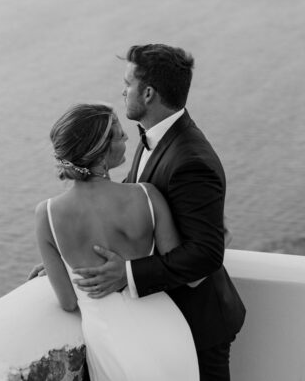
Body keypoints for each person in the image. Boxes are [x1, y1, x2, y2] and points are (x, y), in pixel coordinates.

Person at [72, 44, 246, 381]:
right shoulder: (155, 137)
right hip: (166, 323)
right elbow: (126, 203)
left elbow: (207, 254)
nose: (123, 91)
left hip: (200, 328)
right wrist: (72, 253)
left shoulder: (191, 161)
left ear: (149, 93)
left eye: (128, 83)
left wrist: (129, 273)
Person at [34, 103, 199, 381]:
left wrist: (58, 265)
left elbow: (67, 302)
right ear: (100, 149)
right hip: (167, 327)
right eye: (120, 135)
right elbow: (177, 266)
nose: (126, 140)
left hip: (113, 340)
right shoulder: (147, 196)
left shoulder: (47, 215)